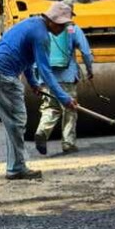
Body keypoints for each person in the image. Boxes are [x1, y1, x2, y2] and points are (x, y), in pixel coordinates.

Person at [0, 2, 77, 180]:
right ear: (53, 21)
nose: (64, 28)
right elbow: (46, 71)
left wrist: (33, 83)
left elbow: (26, 58)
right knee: (16, 121)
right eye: (63, 25)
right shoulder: (41, 35)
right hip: (2, 75)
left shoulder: (32, 23)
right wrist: (64, 98)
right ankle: (16, 167)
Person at [33, 17, 94, 155]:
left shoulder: (44, 30)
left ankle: (42, 131)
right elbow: (85, 51)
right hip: (67, 78)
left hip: (47, 77)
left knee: (50, 108)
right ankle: (68, 143)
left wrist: (37, 79)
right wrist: (89, 70)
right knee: (70, 109)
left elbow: (35, 54)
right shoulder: (72, 28)